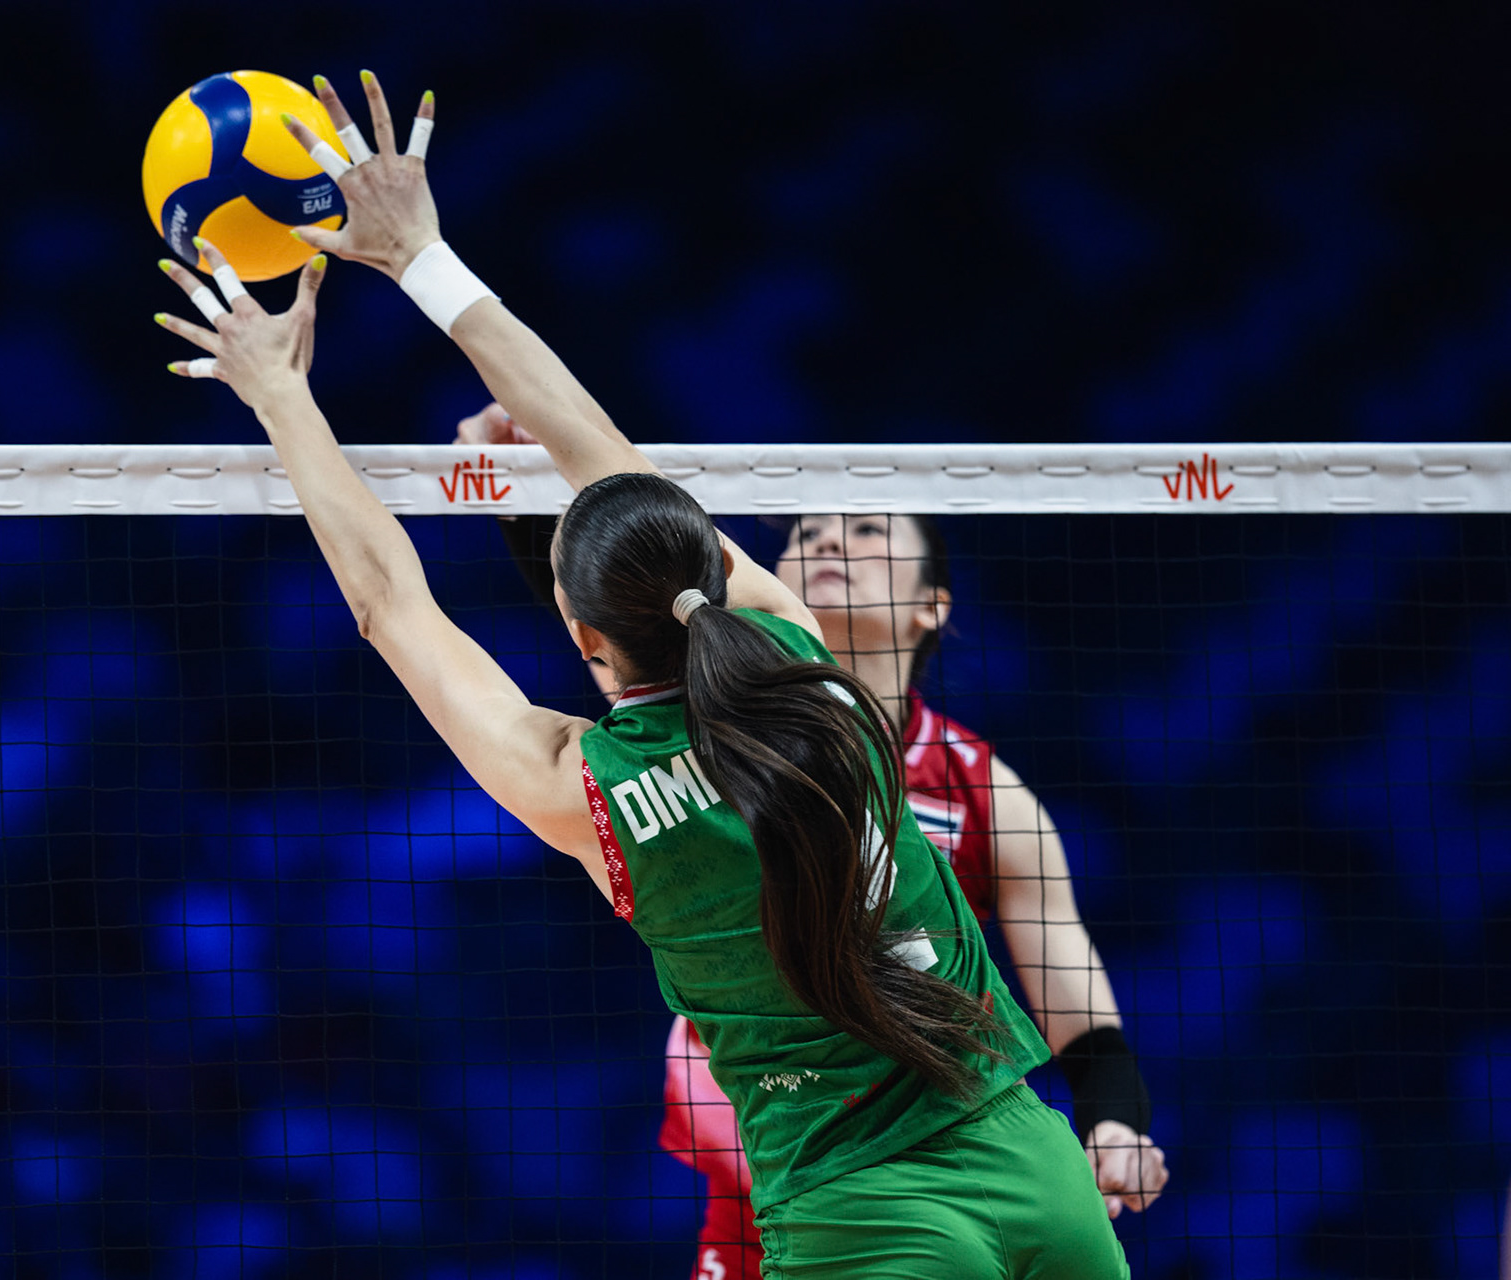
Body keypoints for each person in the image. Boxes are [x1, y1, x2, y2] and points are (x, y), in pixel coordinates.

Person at [152, 71, 1130, 1277]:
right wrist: (421, 256)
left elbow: (387, 601)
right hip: (1028, 1159)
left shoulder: (588, 794)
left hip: (863, 1210)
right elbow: (599, 449)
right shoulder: (808, 659)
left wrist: (280, 394)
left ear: (581, 639)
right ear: (706, 572)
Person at [456, 409, 1170, 1280]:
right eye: (808, 530)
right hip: (780, 1168)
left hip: (938, 1151)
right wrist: (529, 502)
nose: (831, 539)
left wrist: (1114, 1117)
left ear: (931, 604)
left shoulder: (983, 790)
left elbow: (1072, 991)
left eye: (867, 529)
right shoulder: (694, 718)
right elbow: (620, 632)